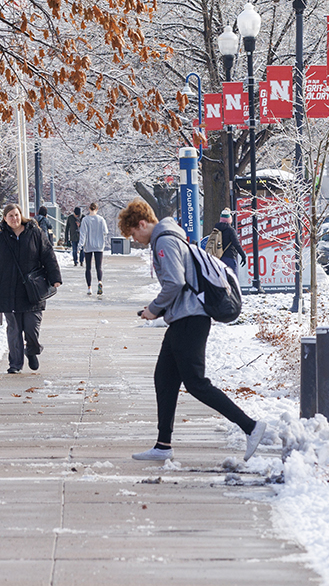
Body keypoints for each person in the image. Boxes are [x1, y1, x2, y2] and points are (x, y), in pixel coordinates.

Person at [118, 199, 266, 464]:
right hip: (183, 318)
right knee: (164, 379)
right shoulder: (169, 236)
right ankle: (163, 444)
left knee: (196, 383)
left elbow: (175, 282)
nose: (135, 240)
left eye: (133, 234)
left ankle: (251, 426)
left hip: (191, 319)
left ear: (141, 224)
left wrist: (154, 309)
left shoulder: (163, 240)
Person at [0, 204, 62, 373]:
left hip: (32, 291)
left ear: (21, 215)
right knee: (14, 329)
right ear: (5, 218)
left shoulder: (35, 233)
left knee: (32, 327)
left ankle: (32, 351)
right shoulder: (0, 238)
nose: (14, 218)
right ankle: (15, 364)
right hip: (8, 290)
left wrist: (55, 278)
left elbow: (48, 255)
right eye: (10, 216)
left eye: (16, 215)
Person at [79, 202, 109, 294]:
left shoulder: (85, 220)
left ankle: (89, 288)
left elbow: (83, 233)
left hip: (88, 245)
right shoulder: (101, 219)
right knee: (98, 267)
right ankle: (100, 281)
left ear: (89, 209)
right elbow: (105, 232)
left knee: (88, 267)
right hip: (99, 246)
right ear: (97, 209)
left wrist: (80, 245)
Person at [216, 211, 248, 279]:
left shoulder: (216, 229)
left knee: (222, 280)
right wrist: (243, 256)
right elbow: (236, 244)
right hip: (229, 257)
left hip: (218, 258)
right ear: (229, 220)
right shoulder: (230, 230)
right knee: (233, 280)